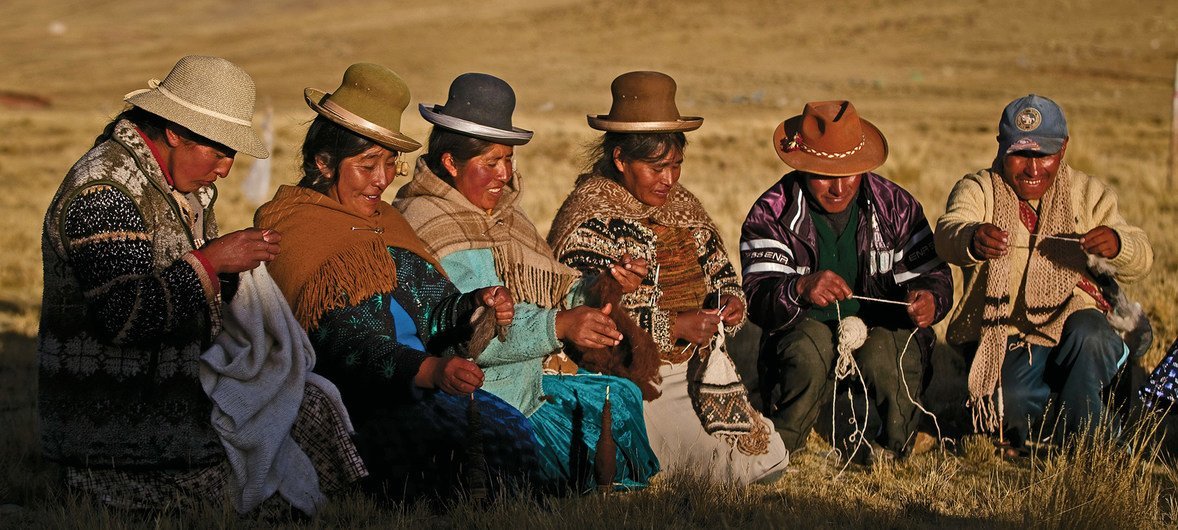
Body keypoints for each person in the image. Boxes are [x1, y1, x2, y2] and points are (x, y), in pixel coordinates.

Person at [38, 55, 364, 512]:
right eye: (219, 151)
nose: (227, 169)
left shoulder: (179, 188)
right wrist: (211, 262)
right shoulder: (104, 193)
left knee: (308, 403)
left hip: (183, 400)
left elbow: (192, 297)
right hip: (119, 432)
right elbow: (125, 317)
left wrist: (233, 273)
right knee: (263, 490)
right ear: (174, 132)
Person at [255, 63, 539, 500]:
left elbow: (431, 307)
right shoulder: (294, 229)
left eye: (390, 165)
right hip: (360, 401)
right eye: (368, 166)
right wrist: (426, 369)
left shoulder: (386, 221)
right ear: (324, 162)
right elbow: (336, 340)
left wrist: (475, 304)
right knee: (446, 452)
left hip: (423, 385)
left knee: (511, 431)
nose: (383, 181)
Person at [394, 73, 659, 492]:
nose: (505, 174)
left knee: (622, 397)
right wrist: (560, 326)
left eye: (509, 159)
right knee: (599, 430)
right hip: (487, 395)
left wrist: (602, 284)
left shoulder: (506, 217)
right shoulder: (431, 222)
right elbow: (478, 332)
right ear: (450, 163)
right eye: (491, 162)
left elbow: (553, 289)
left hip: (529, 379)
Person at [547, 71, 788, 485]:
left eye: (676, 165)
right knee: (721, 471)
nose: (669, 180)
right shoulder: (589, 216)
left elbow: (722, 273)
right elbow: (586, 313)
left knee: (771, 458)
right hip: (635, 377)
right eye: (657, 168)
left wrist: (730, 302)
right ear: (621, 159)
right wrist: (674, 326)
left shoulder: (684, 207)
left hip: (696, 368)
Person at [935, 94, 1153, 455]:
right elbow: (948, 231)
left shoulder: (1090, 194)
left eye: (1044, 156)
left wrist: (1117, 244)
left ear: (1063, 149)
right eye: (1021, 155)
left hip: (1082, 333)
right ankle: (1078, 417)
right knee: (1010, 405)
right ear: (1002, 148)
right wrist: (972, 238)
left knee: (1090, 334)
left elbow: (1142, 256)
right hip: (1012, 336)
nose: (1033, 170)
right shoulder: (978, 189)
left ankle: (1097, 449)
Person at [740, 100, 953, 462]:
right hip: (804, 329)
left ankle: (894, 445)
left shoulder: (896, 206)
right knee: (808, 351)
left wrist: (931, 299)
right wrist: (799, 289)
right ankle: (778, 449)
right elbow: (758, 297)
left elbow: (933, 275)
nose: (839, 188)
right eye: (824, 174)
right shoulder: (772, 212)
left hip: (881, 329)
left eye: (850, 173)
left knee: (889, 352)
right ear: (802, 168)